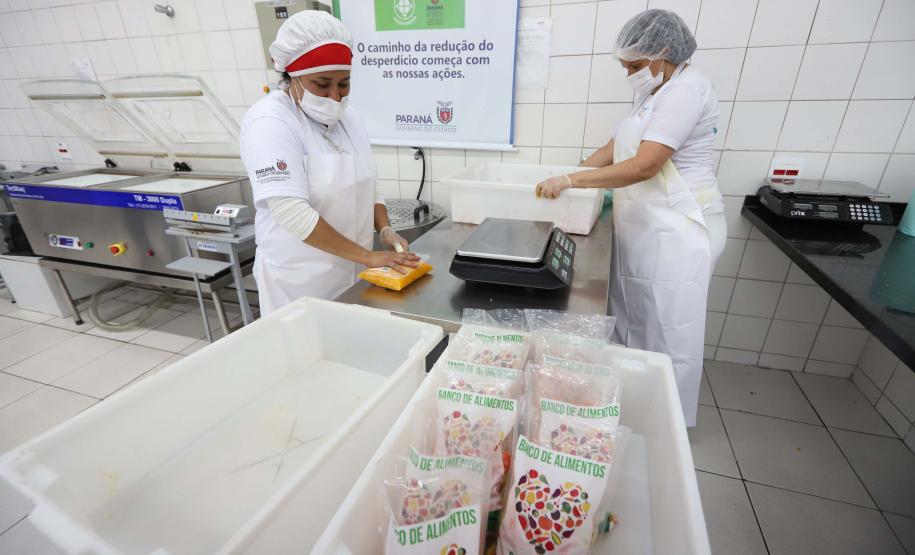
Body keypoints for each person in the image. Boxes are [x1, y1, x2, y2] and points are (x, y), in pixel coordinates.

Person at [535, 9, 727, 427]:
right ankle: (630, 409)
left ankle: (665, 424)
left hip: (680, 229)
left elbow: (645, 165)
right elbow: (616, 143)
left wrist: (574, 180)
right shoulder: (657, 91)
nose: (630, 74)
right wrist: (569, 177)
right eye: (626, 66)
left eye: (636, 65)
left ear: (664, 54)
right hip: (649, 226)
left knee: (667, 330)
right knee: (635, 317)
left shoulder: (686, 92)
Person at [240, 11, 419, 316]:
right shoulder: (269, 122)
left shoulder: (349, 117)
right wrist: (366, 255)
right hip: (298, 282)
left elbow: (370, 184)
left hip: (353, 273)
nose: (335, 97)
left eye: (344, 83)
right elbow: (291, 213)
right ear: (291, 76)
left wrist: (385, 230)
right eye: (322, 84)